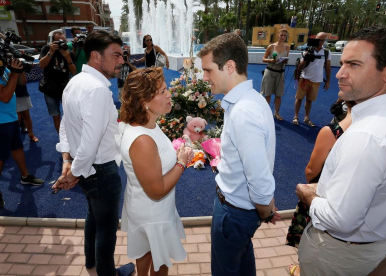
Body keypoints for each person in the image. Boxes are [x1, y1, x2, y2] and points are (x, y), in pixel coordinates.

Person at [295, 25, 386, 276]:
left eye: (354, 65)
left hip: (337, 255)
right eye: (343, 63)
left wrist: (309, 195)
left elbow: (340, 220)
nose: (340, 73)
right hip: (373, 248)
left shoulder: (367, 135)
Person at [198, 33, 281, 276]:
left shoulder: (243, 111)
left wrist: (265, 210)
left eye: (208, 70)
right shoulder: (249, 100)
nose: (204, 78)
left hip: (234, 214)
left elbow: (258, 178)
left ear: (230, 67)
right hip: (240, 212)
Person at [53, 30, 135, 276]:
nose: (122, 61)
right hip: (100, 170)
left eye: (122, 55)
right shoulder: (97, 90)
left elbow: (65, 126)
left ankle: (91, 262)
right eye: (116, 55)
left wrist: (68, 161)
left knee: (93, 216)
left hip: (86, 167)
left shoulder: (75, 81)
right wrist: (74, 172)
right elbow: (90, 142)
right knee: (106, 229)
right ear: (96, 56)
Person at [119, 68, 193, 276]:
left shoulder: (147, 125)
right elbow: (157, 191)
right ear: (144, 102)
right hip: (152, 211)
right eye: (162, 91)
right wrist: (181, 162)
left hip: (147, 207)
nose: (169, 94)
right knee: (160, 263)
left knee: (147, 253)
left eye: (166, 88)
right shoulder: (143, 140)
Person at [287, 100, 355, 276]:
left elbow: (311, 170)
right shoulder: (374, 132)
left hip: (322, 196)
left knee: (311, 240)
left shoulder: (332, 132)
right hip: (350, 202)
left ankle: (303, 268)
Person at [0, 59, 44, 207]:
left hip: (10, 118)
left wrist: (20, 69)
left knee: (17, 148)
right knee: (1, 157)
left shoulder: (5, 69)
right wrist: (14, 73)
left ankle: (25, 176)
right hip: (1, 121)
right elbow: (5, 97)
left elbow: (21, 83)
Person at [39, 31, 76, 133]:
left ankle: (72, 137)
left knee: (71, 115)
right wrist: (51, 52)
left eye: (63, 41)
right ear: (52, 42)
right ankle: (62, 139)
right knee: (56, 116)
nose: (61, 43)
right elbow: (41, 65)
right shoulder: (47, 49)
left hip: (65, 88)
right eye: (58, 41)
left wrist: (68, 58)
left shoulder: (68, 52)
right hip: (50, 88)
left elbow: (73, 71)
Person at [293, 32, 331, 127]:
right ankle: (296, 117)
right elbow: (300, 67)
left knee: (309, 100)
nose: (320, 42)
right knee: (299, 98)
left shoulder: (327, 52)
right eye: (319, 39)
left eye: (323, 40)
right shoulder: (307, 50)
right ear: (315, 39)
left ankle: (306, 117)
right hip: (305, 79)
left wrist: (328, 81)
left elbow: (328, 67)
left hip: (317, 80)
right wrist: (305, 58)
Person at [260, 29, 290, 120]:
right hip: (270, 71)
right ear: (278, 35)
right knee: (267, 94)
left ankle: (276, 113)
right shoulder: (271, 46)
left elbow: (286, 59)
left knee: (278, 95)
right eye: (282, 35)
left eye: (285, 36)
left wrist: (284, 61)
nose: (283, 37)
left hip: (280, 72)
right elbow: (263, 59)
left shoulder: (287, 47)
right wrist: (271, 60)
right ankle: (265, 113)